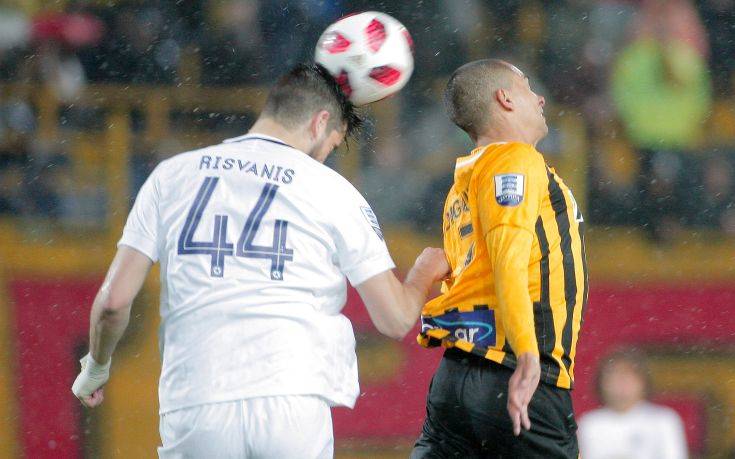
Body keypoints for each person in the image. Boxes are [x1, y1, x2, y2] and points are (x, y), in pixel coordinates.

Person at [71, 64, 449, 459]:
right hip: (292, 400)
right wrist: (422, 273)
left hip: (196, 399)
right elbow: (394, 319)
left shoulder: (172, 176)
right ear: (320, 123)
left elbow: (113, 302)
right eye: (333, 145)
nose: (325, 156)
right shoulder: (334, 190)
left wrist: (96, 366)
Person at [411, 59, 588, 458]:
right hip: (515, 369)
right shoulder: (515, 160)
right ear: (505, 98)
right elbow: (509, 261)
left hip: (455, 379)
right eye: (528, 88)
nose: (540, 98)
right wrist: (527, 355)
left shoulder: (462, 186)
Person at [578, 350, 688, 459]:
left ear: (643, 382)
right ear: (602, 383)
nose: (621, 384)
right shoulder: (588, 424)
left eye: (627, 377)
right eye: (614, 377)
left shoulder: (663, 420)